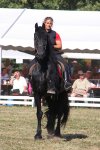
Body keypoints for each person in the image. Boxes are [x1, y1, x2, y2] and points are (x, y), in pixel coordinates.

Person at [29, 17, 71, 93]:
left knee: (65, 64)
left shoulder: (55, 34)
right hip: (42, 54)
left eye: (50, 23)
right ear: (44, 23)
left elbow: (59, 46)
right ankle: (31, 84)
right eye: (47, 23)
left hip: (54, 54)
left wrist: (50, 46)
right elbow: (36, 43)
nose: (49, 25)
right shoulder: (39, 33)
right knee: (31, 64)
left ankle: (66, 82)